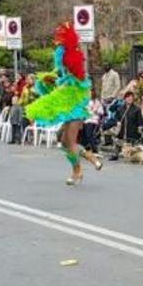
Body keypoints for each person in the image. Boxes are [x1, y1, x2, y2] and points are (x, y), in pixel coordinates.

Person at [25, 23, 102, 184]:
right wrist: (49, 80)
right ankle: (89, 157)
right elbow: (56, 85)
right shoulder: (65, 76)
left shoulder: (76, 79)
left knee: (70, 142)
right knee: (64, 142)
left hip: (75, 111)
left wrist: (57, 82)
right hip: (68, 111)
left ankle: (77, 172)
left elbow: (75, 91)